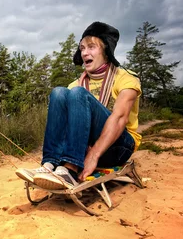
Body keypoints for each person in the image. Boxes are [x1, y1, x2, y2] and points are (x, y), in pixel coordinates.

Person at [15, 22, 142, 190]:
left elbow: (119, 119)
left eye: (91, 47)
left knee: (78, 93)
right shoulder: (75, 84)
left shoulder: (126, 78)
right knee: (59, 93)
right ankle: (49, 165)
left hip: (117, 148)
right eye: (82, 48)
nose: (84, 53)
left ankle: (71, 170)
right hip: (84, 147)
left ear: (105, 50)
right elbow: (65, 127)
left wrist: (94, 154)